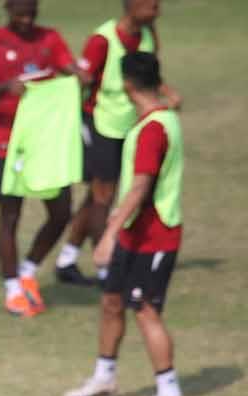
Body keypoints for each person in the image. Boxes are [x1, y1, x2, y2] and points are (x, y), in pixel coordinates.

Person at [62, 52, 184, 396]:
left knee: (145, 310)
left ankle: (169, 389)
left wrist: (108, 233)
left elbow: (139, 188)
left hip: (155, 236)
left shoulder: (152, 130)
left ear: (127, 84)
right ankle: (104, 377)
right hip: (135, 233)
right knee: (111, 300)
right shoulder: (162, 118)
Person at [55, 0, 180, 286]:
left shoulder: (149, 34)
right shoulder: (102, 40)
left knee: (99, 194)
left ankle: (67, 258)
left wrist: (167, 92)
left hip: (131, 127)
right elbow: (81, 80)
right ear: (132, 5)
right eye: (151, 6)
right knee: (104, 196)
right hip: (100, 124)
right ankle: (106, 265)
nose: (157, 11)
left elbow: (148, 75)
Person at [0, 0, 82, 317]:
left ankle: (28, 270)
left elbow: (69, 68)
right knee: (10, 216)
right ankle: (12, 290)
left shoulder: (50, 38)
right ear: (6, 8)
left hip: (46, 145)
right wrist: (7, 87)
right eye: (19, 13)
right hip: (9, 146)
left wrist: (79, 76)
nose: (26, 19)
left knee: (61, 212)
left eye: (31, 12)